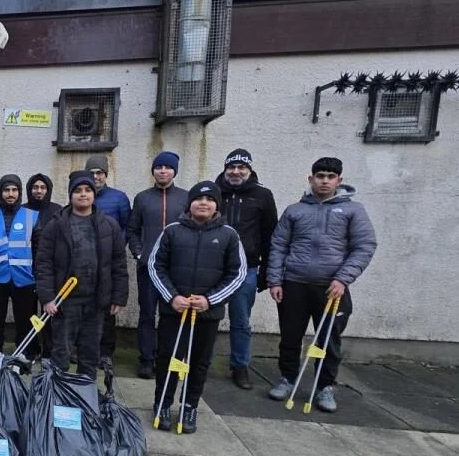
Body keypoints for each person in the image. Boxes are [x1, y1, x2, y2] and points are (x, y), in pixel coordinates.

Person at [266, 157, 377, 412]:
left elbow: (364, 246)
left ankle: (324, 386)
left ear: (339, 180)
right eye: (320, 176)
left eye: (330, 177)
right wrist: (275, 280)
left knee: (328, 339)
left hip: (331, 287)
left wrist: (343, 278)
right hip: (294, 283)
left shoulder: (352, 210)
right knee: (290, 336)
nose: (324, 181)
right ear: (311, 179)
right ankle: (287, 378)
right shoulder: (295, 210)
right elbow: (278, 245)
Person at [148, 181, 247, 433]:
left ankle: (189, 405)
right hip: (175, 311)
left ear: (217, 205)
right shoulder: (172, 231)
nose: (204, 203)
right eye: (199, 199)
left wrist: (210, 300)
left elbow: (237, 274)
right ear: (189, 203)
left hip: (207, 314)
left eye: (210, 199)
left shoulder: (229, 235)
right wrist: (172, 297)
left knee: (199, 362)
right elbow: (155, 266)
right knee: (168, 359)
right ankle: (162, 403)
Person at [34, 171, 129, 379]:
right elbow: (44, 263)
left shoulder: (109, 225)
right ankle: (58, 391)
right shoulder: (56, 225)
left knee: (90, 353)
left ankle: (85, 390)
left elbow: (118, 264)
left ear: (94, 194)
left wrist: (118, 297)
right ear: (71, 195)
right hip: (64, 302)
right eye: (78, 190)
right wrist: (47, 298)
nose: (83, 194)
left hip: (96, 301)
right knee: (61, 353)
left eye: (87, 190)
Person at [216, 149, 278, 390]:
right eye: (231, 167)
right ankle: (198, 361)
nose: (236, 171)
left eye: (241, 167)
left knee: (241, 321)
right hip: (215, 268)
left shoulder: (263, 195)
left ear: (250, 170)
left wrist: (267, 272)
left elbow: (270, 235)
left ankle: (240, 366)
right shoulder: (214, 192)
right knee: (205, 318)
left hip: (247, 269)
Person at [127, 151, 189, 379]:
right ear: (153, 170)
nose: (163, 171)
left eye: (168, 167)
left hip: (176, 270)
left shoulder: (185, 197)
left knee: (171, 316)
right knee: (146, 314)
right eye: (159, 167)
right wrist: (139, 253)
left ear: (175, 171)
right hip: (148, 268)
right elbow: (133, 230)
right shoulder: (142, 198)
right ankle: (146, 359)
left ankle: (168, 358)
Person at [0, 174, 40, 372]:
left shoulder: (32, 216)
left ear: (20, 193)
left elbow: (39, 249)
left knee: (24, 319)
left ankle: (21, 352)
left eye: (14, 190)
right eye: (6, 190)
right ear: (0, 193)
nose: (10, 194)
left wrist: (37, 274)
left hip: (24, 277)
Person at [84, 154, 132, 369]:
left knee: (106, 311)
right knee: (84, 308)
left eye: (100, 173)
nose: (96, 177)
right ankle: (83, 348)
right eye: (92, 173)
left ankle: (105, 353)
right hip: (85, 263)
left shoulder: (119, 198)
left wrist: (115, 247)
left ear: (106, 174)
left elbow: (128, 226)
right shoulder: (82, 194)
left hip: (108, 264)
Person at [23, 172, 61, 363]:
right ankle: (31, 348)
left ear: (48, 190)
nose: (39, 191)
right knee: (28, 312)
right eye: (35, 187)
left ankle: (49, 350)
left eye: (43, 187)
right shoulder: (22, 211)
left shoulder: (58, 211)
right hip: (26, 269)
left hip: (51, 270)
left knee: (49, 312)